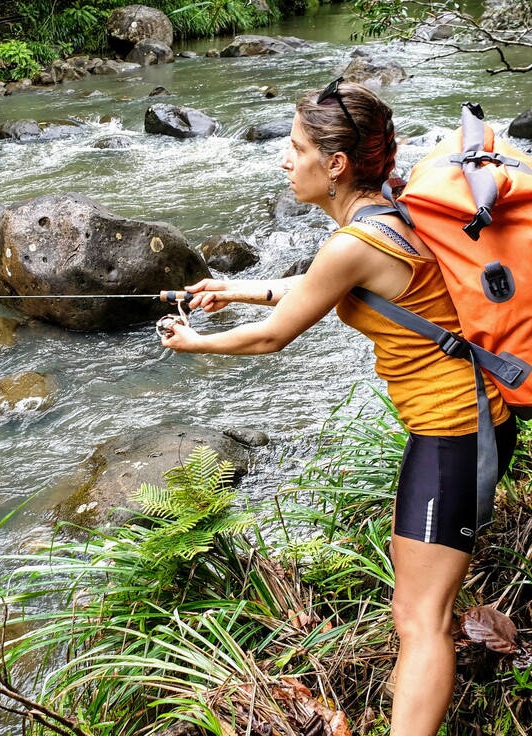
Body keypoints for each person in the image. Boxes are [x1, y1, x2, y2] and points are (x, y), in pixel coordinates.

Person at [160, 79, 517, 736]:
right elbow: (320, 287)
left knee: (419, 621)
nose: (284, 160)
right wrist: (232, 290)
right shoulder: (384, 213)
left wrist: (192, 345)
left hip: (454, 436)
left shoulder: (355, 242)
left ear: (335, 165)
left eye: (296, 149)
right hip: (463, 426)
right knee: (421, 609)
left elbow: (279, 333)